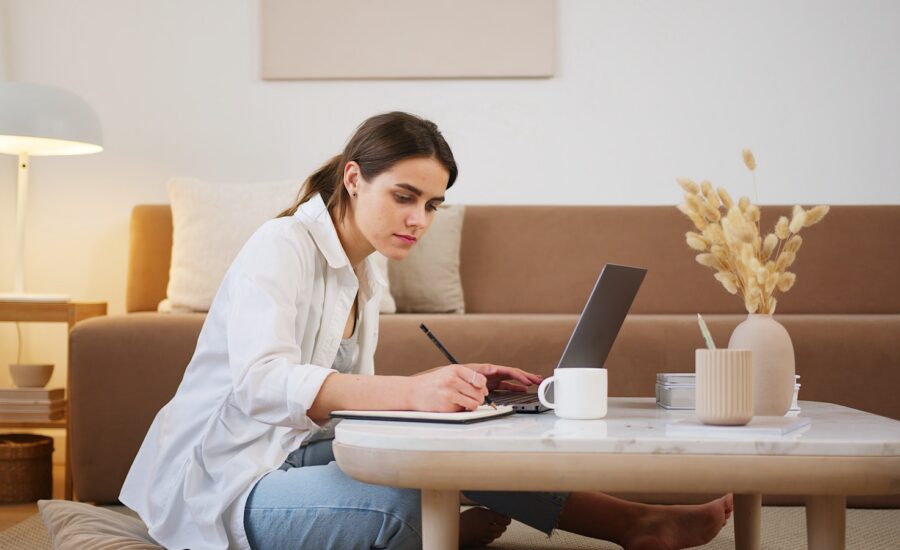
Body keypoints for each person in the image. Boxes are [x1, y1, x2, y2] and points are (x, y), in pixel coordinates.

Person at [120, 111, 733, 550]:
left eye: (432, 205)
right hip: (222, 482)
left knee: (462, 444)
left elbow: (342, 402)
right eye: (405, 197)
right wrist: (414, 393)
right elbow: (261, 384)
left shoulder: (365, 270)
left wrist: (450, 391)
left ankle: (634, 523)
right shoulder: (281, 245)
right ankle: (441, 533)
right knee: (407, 504)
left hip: (287, 452)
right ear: (354, 179)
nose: (419, 220)